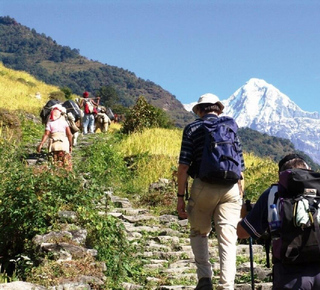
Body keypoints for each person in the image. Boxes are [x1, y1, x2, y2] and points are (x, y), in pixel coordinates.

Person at [177, 93, 246, 290]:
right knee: (227, 237)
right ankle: (227, 285)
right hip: (231, 188)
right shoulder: (230, 127)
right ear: (218, 109)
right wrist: (240, 195)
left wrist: (180, 197)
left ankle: (205, 279)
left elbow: (183, 166)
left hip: (204, 185)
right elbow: (240, 168)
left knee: (199, 232)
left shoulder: (192, 128)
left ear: (199, 110)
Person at [237, 153, 320, 289]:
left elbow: (243, 233)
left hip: (289, 274)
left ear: (280, 176)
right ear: (308, 169)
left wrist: (243, 216)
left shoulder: (273, 193)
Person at [37, 104, 73, 169]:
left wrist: (41, 144)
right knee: (66, 161)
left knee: (54, 161)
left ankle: (54, 173)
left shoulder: (50, 123)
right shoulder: (64, 122)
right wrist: (70, 145)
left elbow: (46, 134)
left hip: (53, 143)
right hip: (64, 143)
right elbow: (69, 134)